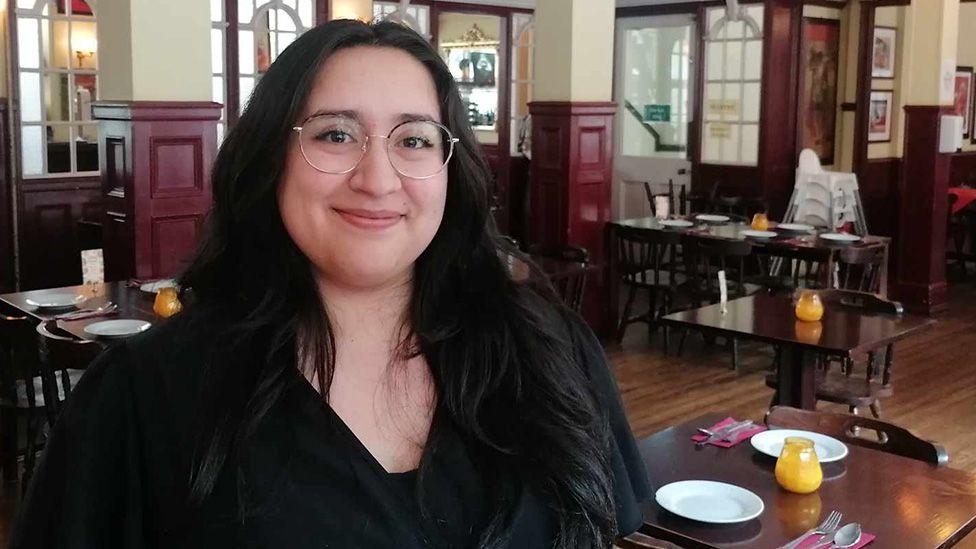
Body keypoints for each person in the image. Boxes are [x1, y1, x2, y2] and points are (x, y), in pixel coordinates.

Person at [11, 20, 649, 549]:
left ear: (451, 171)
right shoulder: (145, 395)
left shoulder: (554, 353)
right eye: (336, 134)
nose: (378, 178)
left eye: (415, 140)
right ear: (270, 160)